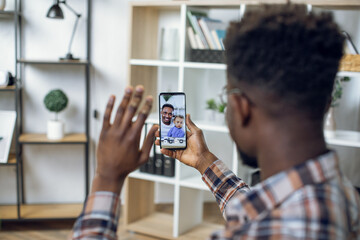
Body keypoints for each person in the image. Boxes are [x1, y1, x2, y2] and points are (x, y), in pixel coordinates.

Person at [71, 4, 360, 239]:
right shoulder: (342, 193)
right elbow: (258, 207)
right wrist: (205, 162)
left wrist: (107, 179)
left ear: (241, 107)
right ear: (325, 104)